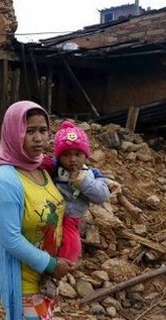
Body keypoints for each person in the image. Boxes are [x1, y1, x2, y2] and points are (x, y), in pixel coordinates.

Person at [0, 101, 74, 320]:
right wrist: (52, 265)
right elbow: (10, 240)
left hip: (44, 277)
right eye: (29, 131)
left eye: (43, 130)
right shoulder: (4, 181)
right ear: (14, 132)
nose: (38, 138)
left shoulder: (42, 169)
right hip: (25, 283)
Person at [39, 121, 111, 298]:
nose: (72, 159)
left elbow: (102, 196)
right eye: (67, 155)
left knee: (72, 246)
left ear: (86, 155)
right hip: (52, 214)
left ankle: (54, 275)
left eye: (78, 154)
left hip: (71, 219)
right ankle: (41, 266)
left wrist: (84, 183)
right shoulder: (55, 168)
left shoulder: (92, 175)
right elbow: (40, 165)